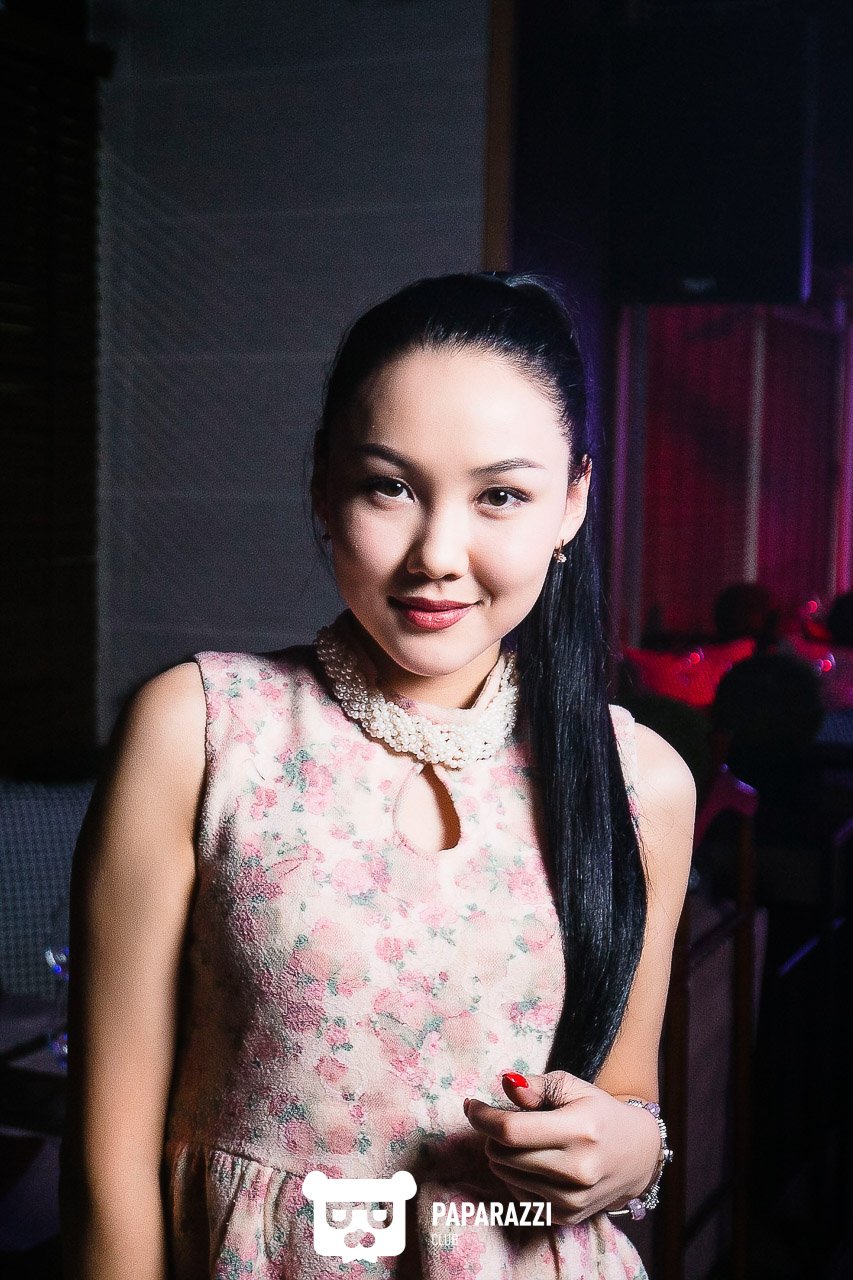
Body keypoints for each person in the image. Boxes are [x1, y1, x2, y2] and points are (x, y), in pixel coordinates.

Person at [59, 272, 695, 1279]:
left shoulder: (637, 779)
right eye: (388, 487)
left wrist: (629, 1152)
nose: (437, 553)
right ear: (323, 483)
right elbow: (109, 1163)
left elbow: (625, 1098)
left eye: (500, 496)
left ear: (572, 500)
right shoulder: (200, 728)